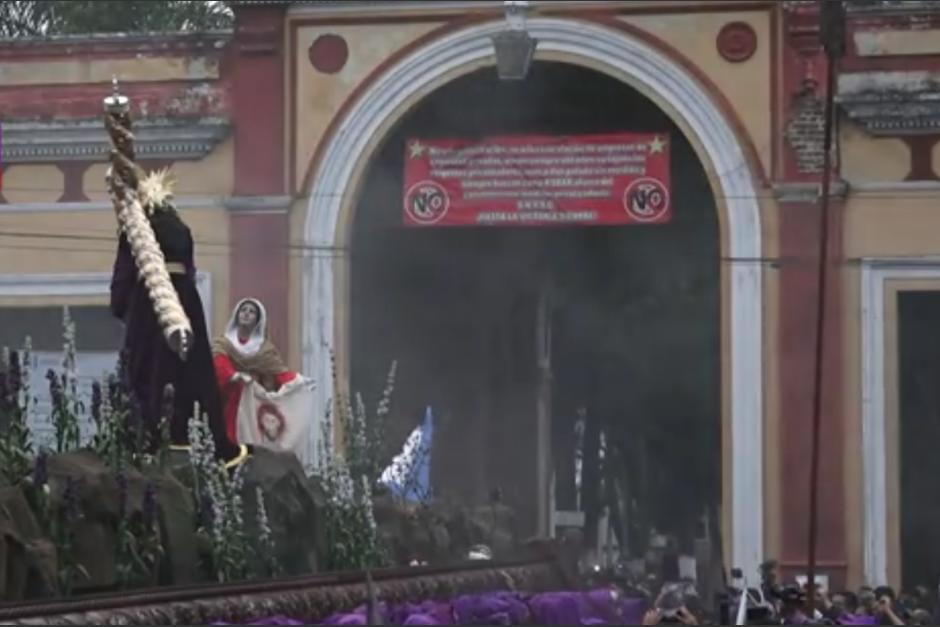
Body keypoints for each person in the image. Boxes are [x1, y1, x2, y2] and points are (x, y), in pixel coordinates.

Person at [110, 170, 248, 467]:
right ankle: (196, 434)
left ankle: (149, 436)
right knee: (192, 368)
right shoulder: (182, 230)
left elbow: (122, 281)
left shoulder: (135, 229)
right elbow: (191, 268)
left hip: (150, 302)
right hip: (186, 301)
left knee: (148, 367)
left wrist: (124, 307)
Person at [213, 298, 314, 462]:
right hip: (228, 398)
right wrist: (233, 375)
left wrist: (300, 382)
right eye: (243, 310)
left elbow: (278, 373)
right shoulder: (223, 343)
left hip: (252, 400)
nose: (246, 314)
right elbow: (219, 363)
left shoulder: (264, 349)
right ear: (237, 314)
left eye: (252, 312)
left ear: (258, 320)